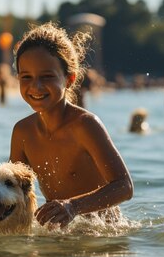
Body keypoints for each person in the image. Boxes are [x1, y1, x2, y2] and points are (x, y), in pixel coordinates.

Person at [9, 22, 133, 229]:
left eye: (47, 76)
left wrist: (72, 206)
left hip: (101, 234)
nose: (36, 86)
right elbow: (15, 191)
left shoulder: (85, 125)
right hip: (58, 231)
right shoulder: (22, 132)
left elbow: (124, 187)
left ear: (69, 79)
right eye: (26, 77)